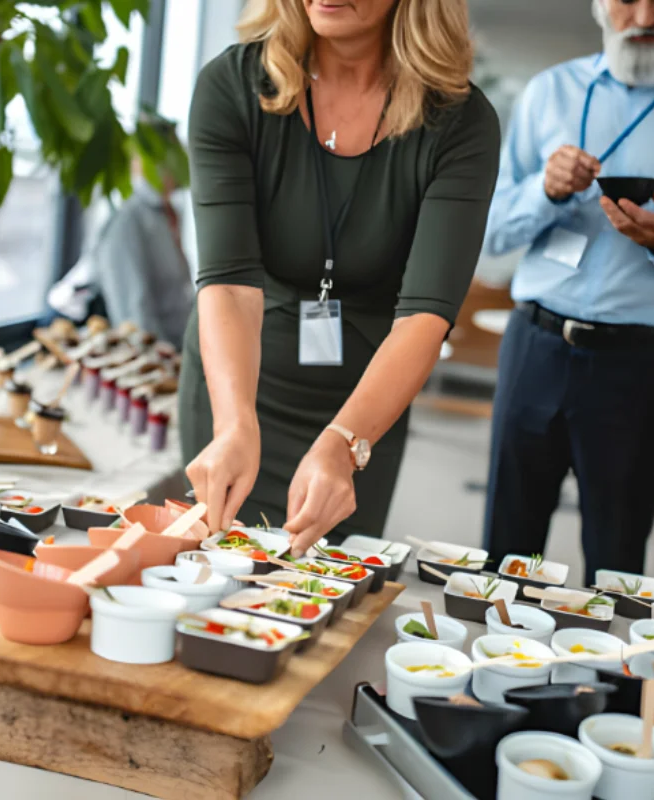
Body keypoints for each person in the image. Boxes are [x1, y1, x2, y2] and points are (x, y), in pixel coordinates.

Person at [181, 0, 500, 554]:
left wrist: (344, 442)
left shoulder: (460, 122)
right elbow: (229, 283)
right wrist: (234, 424)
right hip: (241, 388)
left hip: (363, 408)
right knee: (215, 579)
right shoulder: (233, 85)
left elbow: (425, 313)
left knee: (322, 592)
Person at [482, 0, 654, 585]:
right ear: (598, 6)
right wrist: (544, 191)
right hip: (534, 345)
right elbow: (492, 232)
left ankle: (602, 680)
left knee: (615, 566)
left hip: (638, 363)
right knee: (507, 550)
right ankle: (495, 672)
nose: (643, 14)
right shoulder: (548, 91)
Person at [46, 116, 194, 348]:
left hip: (179, 350)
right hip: (132, 357)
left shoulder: (170, 215)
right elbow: (135, 317)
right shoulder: (128, 222)